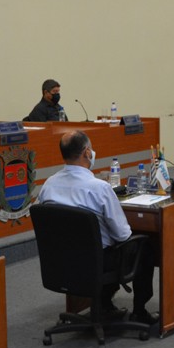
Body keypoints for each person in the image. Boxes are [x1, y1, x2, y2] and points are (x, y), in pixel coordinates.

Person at [35, 130, 156, 324]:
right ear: (87, 152)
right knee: (146, 247)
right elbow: (123, 235)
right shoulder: (99, 188)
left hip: (61, 261)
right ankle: (139, 312)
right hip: (97, 262)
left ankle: (104, 305)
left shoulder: (48, 185)